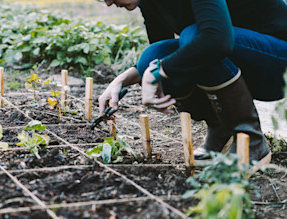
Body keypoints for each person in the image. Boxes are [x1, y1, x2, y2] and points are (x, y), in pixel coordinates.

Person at [97, 0, 287, 166]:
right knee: (151, 56)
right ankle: (220, 127)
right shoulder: (150, 2)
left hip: (277, 61)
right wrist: (121, 81)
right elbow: (161, 57)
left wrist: (157, 71)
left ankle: (250, 138)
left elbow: (215, 39)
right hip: (236, 54)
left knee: (195, 37)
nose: (107, 3)